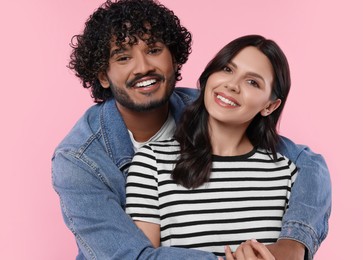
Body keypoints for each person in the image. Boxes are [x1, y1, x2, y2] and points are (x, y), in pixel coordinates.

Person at [51, 0, 331, 259]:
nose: (143, 67)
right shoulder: (77, 159)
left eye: (154, 50)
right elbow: (130, 257)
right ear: (103, 75)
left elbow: (308, 164)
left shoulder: (212, 107)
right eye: (123, 58)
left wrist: (294, 245)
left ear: (174, 59)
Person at [125, 34, 298, 258]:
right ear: (209, 75)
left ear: (270, 106)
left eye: (252, 82)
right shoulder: (152, 163)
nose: (232, 85)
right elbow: (141, 257)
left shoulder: (286, 175)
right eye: (227, 69)